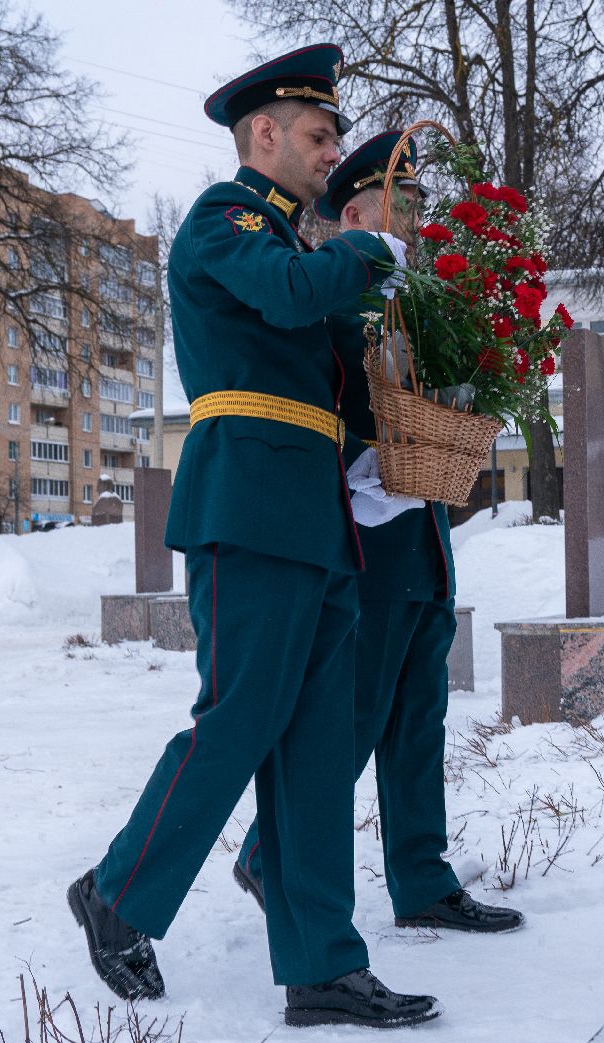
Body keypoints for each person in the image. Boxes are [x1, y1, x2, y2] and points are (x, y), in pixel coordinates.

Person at [65, 46, 440, 1029]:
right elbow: (287, 293)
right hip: (247, 507)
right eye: (318, 138)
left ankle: (321, 964)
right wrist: (366, 255)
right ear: (262, 135)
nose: (329, 155)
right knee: (239, 716)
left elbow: (337, 374)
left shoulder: (298, 249)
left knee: (316, 745)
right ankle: (116, 892)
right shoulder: (222, 225)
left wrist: (412, 400)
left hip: (317, 516)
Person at [231, 130, 524, 935]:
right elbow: (328, 404)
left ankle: (422, 880)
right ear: (353, 211)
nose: (415, 220)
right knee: (351, 722)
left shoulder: (420, 303)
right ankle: (267, 854)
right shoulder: (342, 296)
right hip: (366, 539)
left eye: (421, 206)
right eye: (401, 204)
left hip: (422, 536)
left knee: (416, 722)